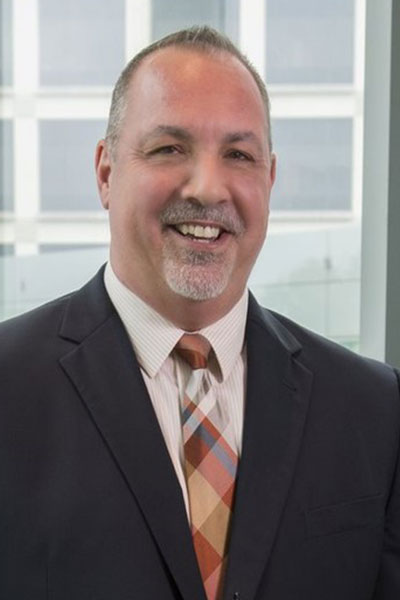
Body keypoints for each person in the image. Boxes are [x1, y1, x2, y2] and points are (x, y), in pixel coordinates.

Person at [0, 26, 399, 600]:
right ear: (106, 172)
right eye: (169, 148)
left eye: (238, 155)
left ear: (270, 179)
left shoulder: (376, 410)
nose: (209, 187)